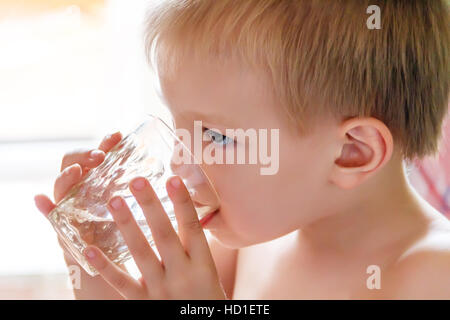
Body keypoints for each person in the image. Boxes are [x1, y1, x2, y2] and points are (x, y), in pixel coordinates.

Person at [35, 0, 450, 299]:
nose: (179, 163)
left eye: (215, 136)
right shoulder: (253, 243)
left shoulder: (431, 276)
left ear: (351, 153)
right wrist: (93, 266)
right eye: (176, 124)